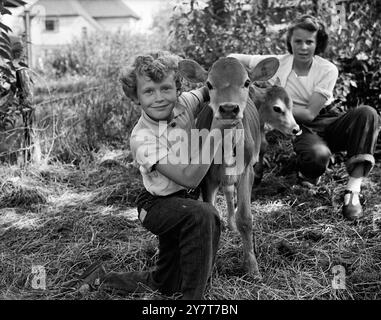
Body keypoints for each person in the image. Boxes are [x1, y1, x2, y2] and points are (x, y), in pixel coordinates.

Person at [78, 51, 236, 300]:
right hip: (157, 206)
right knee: (205, 214)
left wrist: (231, 75)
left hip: (185, 204)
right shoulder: (142, 138)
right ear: (135, 97)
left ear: (178, 89)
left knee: (167, 283)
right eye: (149, 91)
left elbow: (209, 88)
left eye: (166, 89)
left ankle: (101, 277)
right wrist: (216, 131)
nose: (159, 98)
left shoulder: (185, 103)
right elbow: (190, 178)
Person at [229, 15, 380, 221]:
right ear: (290, 42)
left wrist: (271, 99)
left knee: (367, 113)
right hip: (301, 127)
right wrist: (246, 84)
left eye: (309, 42)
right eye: (298, 41)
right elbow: (233, 57)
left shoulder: (327, 69)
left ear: (318, 44)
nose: (303, 47)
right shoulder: (277, 64)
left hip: (327, 119)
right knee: (318, 156)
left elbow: (310, 112)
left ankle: (352, 191)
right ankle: (308, 170)